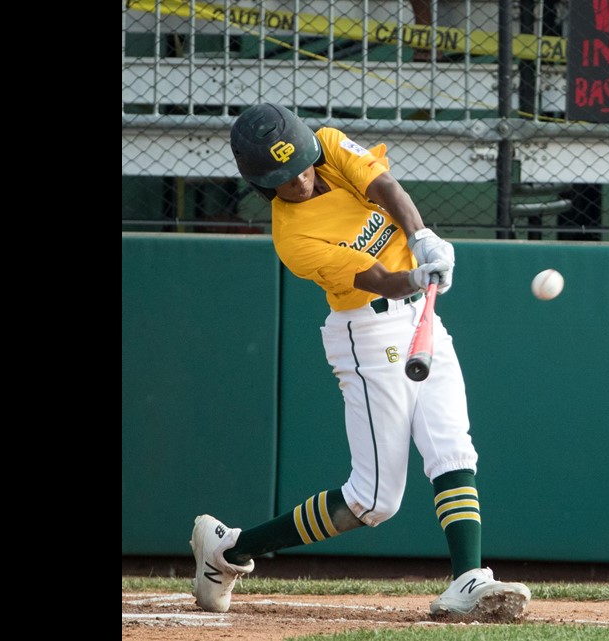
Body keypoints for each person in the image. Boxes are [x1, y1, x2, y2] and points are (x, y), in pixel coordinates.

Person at [189, 102, 531, 622]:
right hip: (368, 334)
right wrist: (414, 277)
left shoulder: (326, 142)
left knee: (452, 447)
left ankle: (467, 578)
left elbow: (384, 187)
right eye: (286, 177)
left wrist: (421, 237)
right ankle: (230, 551)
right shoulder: (293, 238)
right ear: (263, 183)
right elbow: (374, 277)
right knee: (372, 501)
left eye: (303, 165)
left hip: (423, 321)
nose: (301, 179)